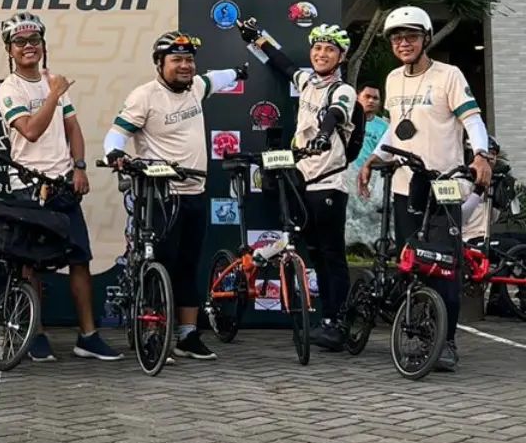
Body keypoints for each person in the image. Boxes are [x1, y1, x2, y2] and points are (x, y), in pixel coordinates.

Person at [358, 5, 493, 372]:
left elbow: (473, 120)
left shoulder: (449, 75)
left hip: (445, 186)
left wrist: (481, 156)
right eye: (397, 38)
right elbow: (395, 128)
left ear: (426, 39)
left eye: (411, 37)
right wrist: (373, 159)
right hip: (407, 185)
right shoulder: (392, 79)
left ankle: (446, 341)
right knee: (411, 262)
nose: (404, 43)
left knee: (444, 266)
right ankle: (419, 333)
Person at [103, 31, 247, 361]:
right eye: (176, 60)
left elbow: (216, 78)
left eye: (189, 60)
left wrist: (239, 73)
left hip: (195, 191)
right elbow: (116, 134)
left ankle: (187, 335)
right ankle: (153, 334)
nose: (185, 66)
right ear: (159, 63)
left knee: (188, 265)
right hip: (160, 195)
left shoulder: (196, 86)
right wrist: (115, 154)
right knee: (160, 263)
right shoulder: (144, 96)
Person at [0, 12, 120, 362]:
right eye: (20, 42)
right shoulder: (10, 88)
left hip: (63, 185)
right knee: (30, 265)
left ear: (43, 45)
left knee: (79, 260)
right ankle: (35, 334)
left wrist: (79, 167)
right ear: (9, 49)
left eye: (34, 40)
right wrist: (53, 94)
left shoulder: (54, 81)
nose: (28, 46)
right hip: (29, 187)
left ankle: (88, 336)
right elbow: (31, 130)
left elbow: (73, 128)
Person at [238, 19, 357, 351]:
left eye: (330, 49)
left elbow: (335, 114)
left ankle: (338, 323)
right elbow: (284, 64)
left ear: (342, 56)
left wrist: (323, 136)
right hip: (302, 181)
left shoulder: (343, 90)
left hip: (329, 183)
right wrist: (257, 39)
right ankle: (327, 319)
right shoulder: (308, 82)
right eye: (317, 48)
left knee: (332, 256)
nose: (322, 54)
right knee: (316, 253)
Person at [353, 82, 389, 169]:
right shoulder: (347, 120)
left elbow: (384, 154)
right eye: (367, 96)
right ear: (357, 97)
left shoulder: (385, 127)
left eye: (375, 98)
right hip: (344, 172)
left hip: (371, 171)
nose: (371, 101)